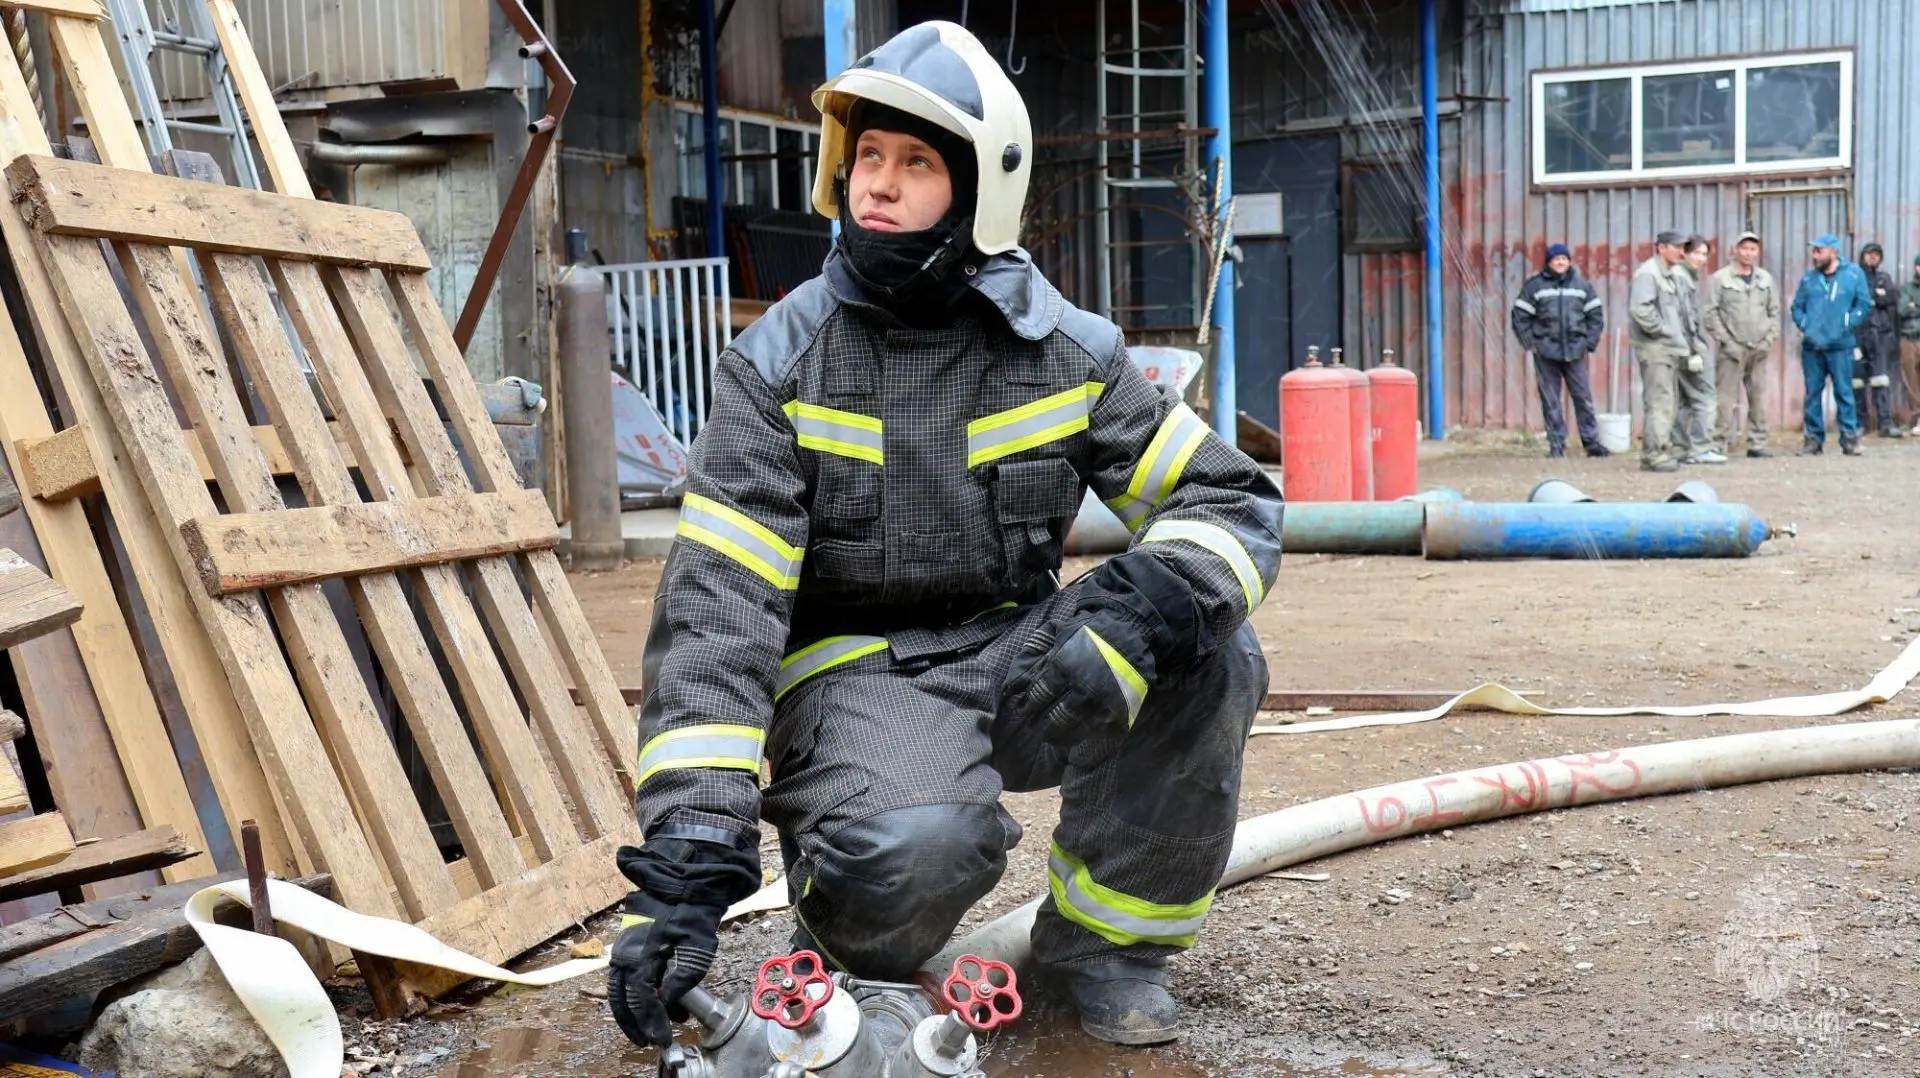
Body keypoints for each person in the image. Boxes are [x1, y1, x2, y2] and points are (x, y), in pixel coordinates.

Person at [605, 21, 1282, 1052]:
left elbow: (1228, 498)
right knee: (913, 853)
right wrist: (690, 851)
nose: (878, 183)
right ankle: (845, 926)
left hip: (1022, 658)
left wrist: (1143, 611)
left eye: (915, 162)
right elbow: (719, 612)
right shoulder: (779, 367)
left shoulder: (1066, 352)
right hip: (857, 674)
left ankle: (1106, 946)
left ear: (979, 190)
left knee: (1212, 649)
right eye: (867, 155)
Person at [1510, 242, 1608, 458]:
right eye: (1556, 259)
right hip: (1546, 352)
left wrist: (1588, 342)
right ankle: (1556, 444)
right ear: (1548, 262)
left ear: (1569, 262)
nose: (1561, 262)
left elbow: (1595, 316)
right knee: (1550, 400)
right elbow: (1519, 316)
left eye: (1564, 258)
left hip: (1575, 351)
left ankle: (1592, 444)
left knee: (1583, 398)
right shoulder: (1534, 286)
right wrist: (1530, 342)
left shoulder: (1582, 286)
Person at [1701, 231, 1781, 458]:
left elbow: (1774, 312)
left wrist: (1768, 339)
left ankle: (1757, 443)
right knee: (1724, 399)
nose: (1748, 253)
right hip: (1731, 350)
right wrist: (1727, 342)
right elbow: (1710, 313)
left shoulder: (1765, 279)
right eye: (1744, 248)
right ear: (1735, 250)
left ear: (1758, 252)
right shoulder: (1720, 279)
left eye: (1752, 249)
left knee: (1758, 397)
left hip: (1759, 349)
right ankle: (1719, 443)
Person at [1790, 234, 1872, 455]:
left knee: (1844, 392)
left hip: (1841, 345)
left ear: (1833, 252)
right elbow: (1797, 307)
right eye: (1814, 251)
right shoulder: (1809, 279)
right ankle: (1813, 440)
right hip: (1812, 347)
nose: (1814, 256)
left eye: (1819, 251)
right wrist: (1806, 325)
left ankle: (1849, 439)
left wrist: (1847, 322)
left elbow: (1863, 304)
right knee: (1812, 394)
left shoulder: (1853, 274)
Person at [1628, 231, 1697, 472]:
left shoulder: (1673, 274)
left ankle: (1660, 450)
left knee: (1668, 402)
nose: (1681, 252)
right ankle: (1654, 454)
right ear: (1661, 247)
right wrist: (1663, 331)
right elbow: (1641, 309)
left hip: (1670, 349)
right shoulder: (1648, 274)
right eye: (1676, 247)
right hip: (1656, 349)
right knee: (1659, 401)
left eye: (1683, 247)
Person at [1668, 236, 1725, 464]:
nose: (1701, 259)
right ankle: (1701, 448)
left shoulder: (1684, 276)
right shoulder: (1682, 277)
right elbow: (1684, 317)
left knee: (1682, 400)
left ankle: (1680, 448)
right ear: (1684, 253)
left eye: (1704, 254)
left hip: (1678, 346)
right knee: (1705, 396)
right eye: (1697, 253)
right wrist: (1692, 350)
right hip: (1688, 347)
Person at [1854, 242, 1904, 437]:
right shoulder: (1853, 277)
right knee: (1857, 381)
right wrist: (1876, 296)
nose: (1873, 257)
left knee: (1881, 380)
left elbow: (1892, 297)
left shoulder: (1884, 278)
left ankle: (1885, 423)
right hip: (1857, 335)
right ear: (1863, 256)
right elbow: (1852, 300)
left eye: (1877, 254)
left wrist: (1874, 298)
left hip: (1879, 336)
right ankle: (1861, 423)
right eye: (1870, 254)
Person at [1900, 253, 1920, 432]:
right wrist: (1910, 306)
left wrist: (1915, 305)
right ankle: (1916, 418)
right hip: (1909, 337)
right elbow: (1902, 309)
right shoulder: (1906, 288)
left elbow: (1911, 308)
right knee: (1911, 380)